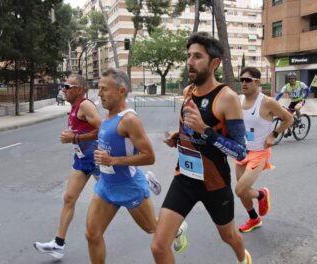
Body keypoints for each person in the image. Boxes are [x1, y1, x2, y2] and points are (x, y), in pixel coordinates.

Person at [151, 32, 251, 264]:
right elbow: (190, 127)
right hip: (184, 177)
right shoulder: (188, 92)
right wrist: (178, 136)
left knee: (229, 236)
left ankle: (243, 259)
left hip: (214, 183)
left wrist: (206, 130)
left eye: (197, 57)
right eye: (188, 56)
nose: (189, 62)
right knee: (158, 246)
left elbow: (240, 151)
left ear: (214, 63)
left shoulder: (227, 98)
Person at [85, 68, 165, 264]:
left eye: (104, 89)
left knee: (152, 229)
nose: (99, 94)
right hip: (106, 185)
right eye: (98, 89)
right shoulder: (108, 116)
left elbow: (149, 156)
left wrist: (113, 161)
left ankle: (177, 228)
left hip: (129, 186)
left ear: (121, 91)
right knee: (92, 234)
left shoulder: (129, 120)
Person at [34, 74, 102, 259]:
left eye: (67, 86)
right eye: (62, 86)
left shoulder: (85, 105)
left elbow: (103, 130)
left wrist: (75, 138)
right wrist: (74, 135)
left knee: (126, 194)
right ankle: (58, 244)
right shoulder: (73, 108)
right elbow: (83, 130)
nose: (63, 89)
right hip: (81, 161)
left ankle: (143, 180)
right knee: (69, 198)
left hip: (97, 159)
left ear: (79, 89)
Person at [235, 67, 293, 233]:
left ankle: (261, 195)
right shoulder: (237, 100)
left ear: (257, 82)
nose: (244, 83)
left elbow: (289, 119)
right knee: (242, 193)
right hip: (241, 151)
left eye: (248, 80)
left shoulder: (267, 102)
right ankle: (254, 219)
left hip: (259, 152)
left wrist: (273, 134)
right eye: (242, 80)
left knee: (239, 189)